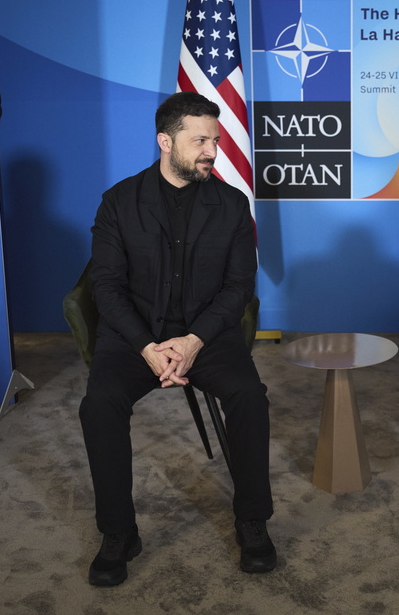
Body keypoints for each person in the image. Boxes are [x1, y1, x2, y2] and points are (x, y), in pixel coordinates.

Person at [79, 92, 276, 586]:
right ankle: (119, 532)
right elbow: (105, 286)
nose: (213, 150)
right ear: (166, 142)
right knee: (99, 404)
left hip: (206, 335)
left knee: (250, 396)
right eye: (201, 141)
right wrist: (146, 346)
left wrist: (194, 341)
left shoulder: (232, 204)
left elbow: (239, 287)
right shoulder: (119, 202)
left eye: (216, 140)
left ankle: (252, 520)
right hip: (134, 337)